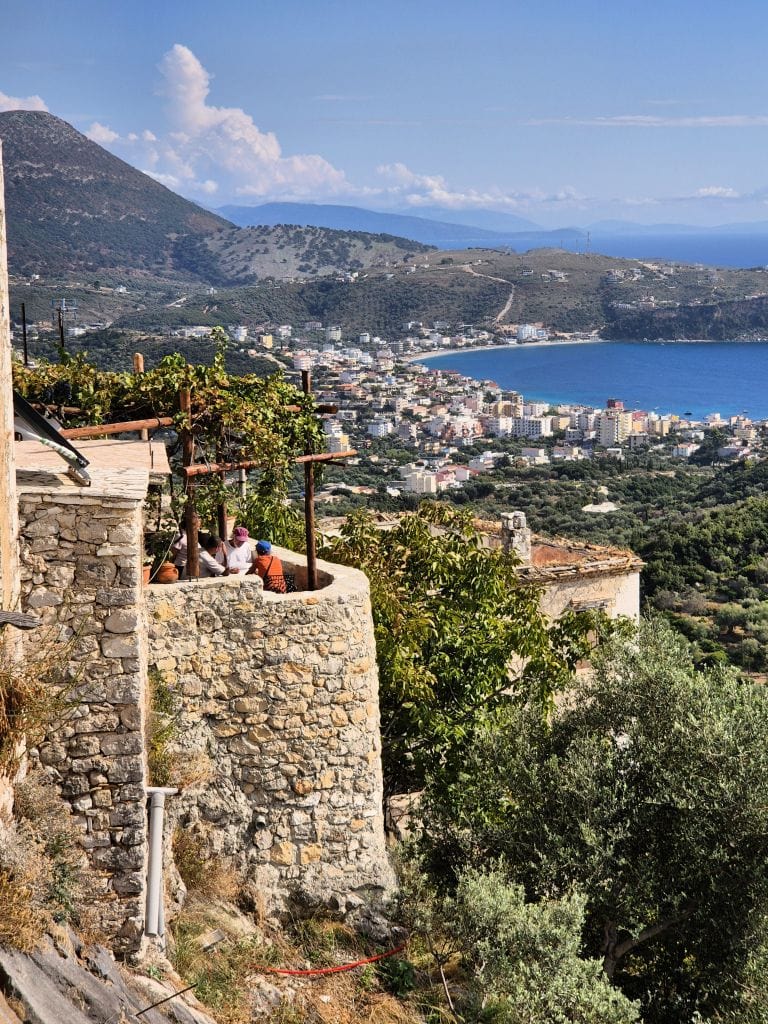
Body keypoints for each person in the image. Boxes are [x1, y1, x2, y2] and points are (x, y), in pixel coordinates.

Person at [170, 513, 201, 579]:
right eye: (197, 525)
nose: (198, 526)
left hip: (192, 565)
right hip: (181, 567)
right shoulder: (181, 536)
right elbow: (173, 554)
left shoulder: (193, 535)